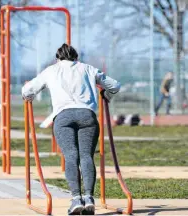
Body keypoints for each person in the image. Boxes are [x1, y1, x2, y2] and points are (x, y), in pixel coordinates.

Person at [22, 43, 121, 215]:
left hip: (63, 116)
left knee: (70, 155)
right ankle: (89, 197)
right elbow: (115, 85)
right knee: (86, 156)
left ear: (57, 58)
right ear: (76, 58)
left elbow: (28, 89)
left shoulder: (51, 70)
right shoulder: (88, 68)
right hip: (87, 116)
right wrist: (107, 96)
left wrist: (28, 96)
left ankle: (76, 198)